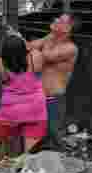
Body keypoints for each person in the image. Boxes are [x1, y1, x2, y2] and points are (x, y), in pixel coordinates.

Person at [0, 32, 46, 168]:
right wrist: (21, 38)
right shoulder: (36, 58)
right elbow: (31, 47)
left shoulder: (0, 64)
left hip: (11, 111)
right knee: (28, 155)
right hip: (36, 109)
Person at [27, 14, 79, 147]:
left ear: (68, 29)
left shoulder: (70, 48)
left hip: (54, 98)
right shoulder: (50, 39)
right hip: (39, 96)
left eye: (61, 21)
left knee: (53, 136)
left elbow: (47, 56)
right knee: (36, 138)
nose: (56, 21)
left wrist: (50, 37)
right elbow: (30, 46)